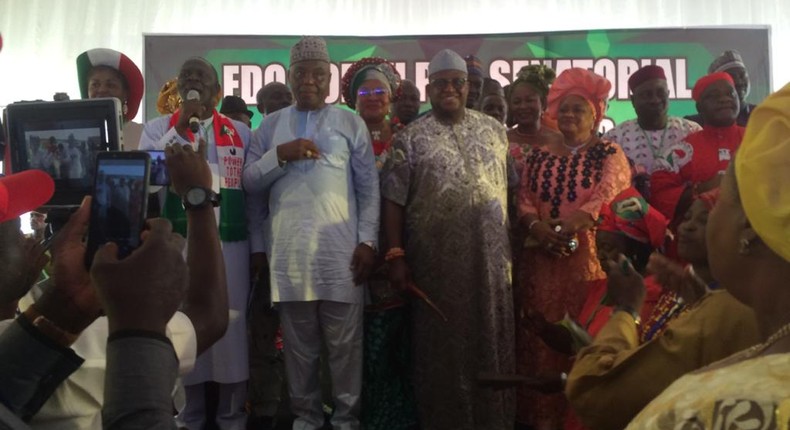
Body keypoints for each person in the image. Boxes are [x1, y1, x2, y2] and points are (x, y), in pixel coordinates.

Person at [626, 82, 790, 428]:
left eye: (717, 205)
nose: (691, 225)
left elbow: (597, 396)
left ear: (749, 228)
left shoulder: (690, 409)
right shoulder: (685, 148)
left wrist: (624, 311)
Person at [243, 36, 379, 430]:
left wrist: (368, 241)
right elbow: (250, 183)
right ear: (289, 76)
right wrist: (280, 155)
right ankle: (305, 419)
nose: (310, 81)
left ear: (331, 77)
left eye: (319, 73)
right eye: (301, 73)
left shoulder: (350, 123)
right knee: (299, 351)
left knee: (345, 349)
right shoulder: (269, 127)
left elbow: (369, 189)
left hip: (342, 257)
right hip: (290, 256)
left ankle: (347, 421)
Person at [380, 48, 514, 430]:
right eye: (441, 84)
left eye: (457, 82)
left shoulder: (493, 131)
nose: (450, 89)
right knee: (445, 351)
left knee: (493, 343)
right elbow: (393, 200)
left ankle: (495, 421)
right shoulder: (412, 138)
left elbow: (512, 192)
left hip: (492, 266)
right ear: (429, 88)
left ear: (469, 86)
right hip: (437, 266)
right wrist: (396, 255)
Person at [515, 68, 631, 429]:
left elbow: (608, 193)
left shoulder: (608, 152)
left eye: (577, 109)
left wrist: (572, 225)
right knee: (541, 344)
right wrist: (537, 226)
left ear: (596, 113)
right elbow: (523, 199)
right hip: (541, 263)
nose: (568, 116)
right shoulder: (538, 155)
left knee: (583, 342)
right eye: (563, 109)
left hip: (588, 263)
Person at [140, 56, 252, 430]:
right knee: (185, 326)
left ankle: (232, 418)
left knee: (232, 332)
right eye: (185, 75)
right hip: (180, 245)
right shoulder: (157, 129)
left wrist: (258, 250)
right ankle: (189, 419)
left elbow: (251, 192)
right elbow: (152, 179)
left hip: (230, 249)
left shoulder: (239, 131)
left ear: (217, 91)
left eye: (200, 76)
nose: (192, 80)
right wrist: (180, 126)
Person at [340, 56, 417, 430]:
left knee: (398, 346)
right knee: (356, 349)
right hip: (353, 253)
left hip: (399, 254)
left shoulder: (408, 140)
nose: (372, 97)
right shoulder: (341, 141)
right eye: (365, 91)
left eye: (379, 91)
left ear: (391, 97)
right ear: (353, 100)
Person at [246, 82, 293, 429]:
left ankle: (301, 406)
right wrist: (258, 251)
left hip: (304, 255)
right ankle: (265, 408)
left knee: (301, 338)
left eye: (285, 99)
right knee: (264, 335)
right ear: (260, 106)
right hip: (268, 254)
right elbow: (253, 201)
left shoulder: (308, 132)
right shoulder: (258, 137)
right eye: (272, 99)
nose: (280, 103)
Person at [650, 72, 745, 224]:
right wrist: (700, 190)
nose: (725, 99)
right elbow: (658, 195)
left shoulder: (757, 141)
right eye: (714, 96)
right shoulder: (682, 150)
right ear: (699, 106)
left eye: (730, 94)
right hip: (700, 240)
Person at [603, 65, 701, 194]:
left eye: (661, 93)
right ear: (633, 101)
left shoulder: (691, 131)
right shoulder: (614, 138)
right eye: (647, 95)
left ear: (668, 94)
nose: (655, 100)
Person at [76, 48, 145, 150]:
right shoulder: (76, 132)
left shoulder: (143, 134)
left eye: (111, 85)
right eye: (95, 84)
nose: (102, 90)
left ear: (125, 94)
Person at [506, 65, 563, 177]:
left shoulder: (559, 140)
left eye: (529, 100)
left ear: (543, 104)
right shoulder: (502, 140)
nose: (523, 106)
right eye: (517, 102)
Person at [685, 50, 756, 127]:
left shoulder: (763, 116)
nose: (739, 82)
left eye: (742, 76)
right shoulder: (693, 125)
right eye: (731, 77)